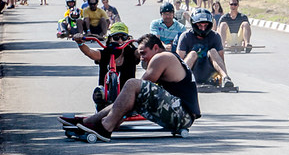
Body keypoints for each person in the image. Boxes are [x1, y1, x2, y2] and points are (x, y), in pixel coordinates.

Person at [61, 33, 201, 142]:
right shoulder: (169, 57)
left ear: (156, 48)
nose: (142, 58)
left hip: (182, 115)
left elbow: (136, 90)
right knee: (131, 90)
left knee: (132, 84)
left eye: (143, 53)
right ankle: (90, 122)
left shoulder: (162, 57)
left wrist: (116, 116)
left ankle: (105, 127)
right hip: (179, 113)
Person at [73, 22, 140, 110]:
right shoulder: (105, 52)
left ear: (128, 39)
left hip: (128, 97)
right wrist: (80, 43)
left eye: (123, 37)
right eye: (116, 38)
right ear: (110, 39)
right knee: (99, 92)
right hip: (106, 101)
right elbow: (89, 52)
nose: (120, 41)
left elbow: (142, 52)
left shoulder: (132, 52)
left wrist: (147, 43)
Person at [176, 8, 234, 88]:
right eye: (200, 25)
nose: (203, 29)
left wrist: (220, 76)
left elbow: (221, 59)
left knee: (213, 51)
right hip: (191, 73)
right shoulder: (185, 36)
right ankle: (180, 80)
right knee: (193, 53)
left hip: (209, 73)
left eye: (205, 25)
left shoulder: (215, 36)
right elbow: (179, 60)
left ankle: (226, 78)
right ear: (194, 24)